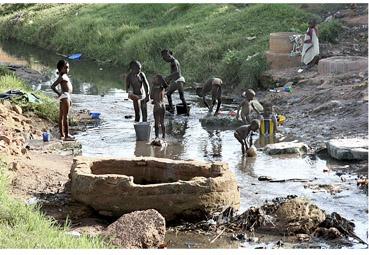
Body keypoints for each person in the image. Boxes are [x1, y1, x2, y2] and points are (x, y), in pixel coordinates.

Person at [51, 59, 74, 141]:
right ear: (61, 68)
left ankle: (62, 134)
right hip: (65, 96)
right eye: (66, 67)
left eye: (68, 68)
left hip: (65, 96)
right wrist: (59, 93)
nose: (68, 69)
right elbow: (53, 86)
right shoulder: (63, 76)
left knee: (61, 116)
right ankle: (67, 135)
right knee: (65, 117)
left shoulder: (63, 75)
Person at [161, 49, 188, 115]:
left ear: (167, 55)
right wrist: (169, 81)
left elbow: (177, 73)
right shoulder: (173, 61)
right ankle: (184, 111)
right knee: (179, 96)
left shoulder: (173, 62)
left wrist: (168, 77)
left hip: (179, 80)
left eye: (164, 58)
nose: (164, 60)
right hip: (178, 80)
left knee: (171, 95)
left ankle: (174, 110)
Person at [150, 74, 168, 140]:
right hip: (163, 105)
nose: (154, 79)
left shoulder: (154, 87)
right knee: (162, 122)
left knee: (156, 123)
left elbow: (151, 96)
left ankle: (156, 137)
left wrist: (153, 100)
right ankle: (163, 137)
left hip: (157, 106)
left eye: (155, 78)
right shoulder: (162, 87)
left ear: (157, 80)